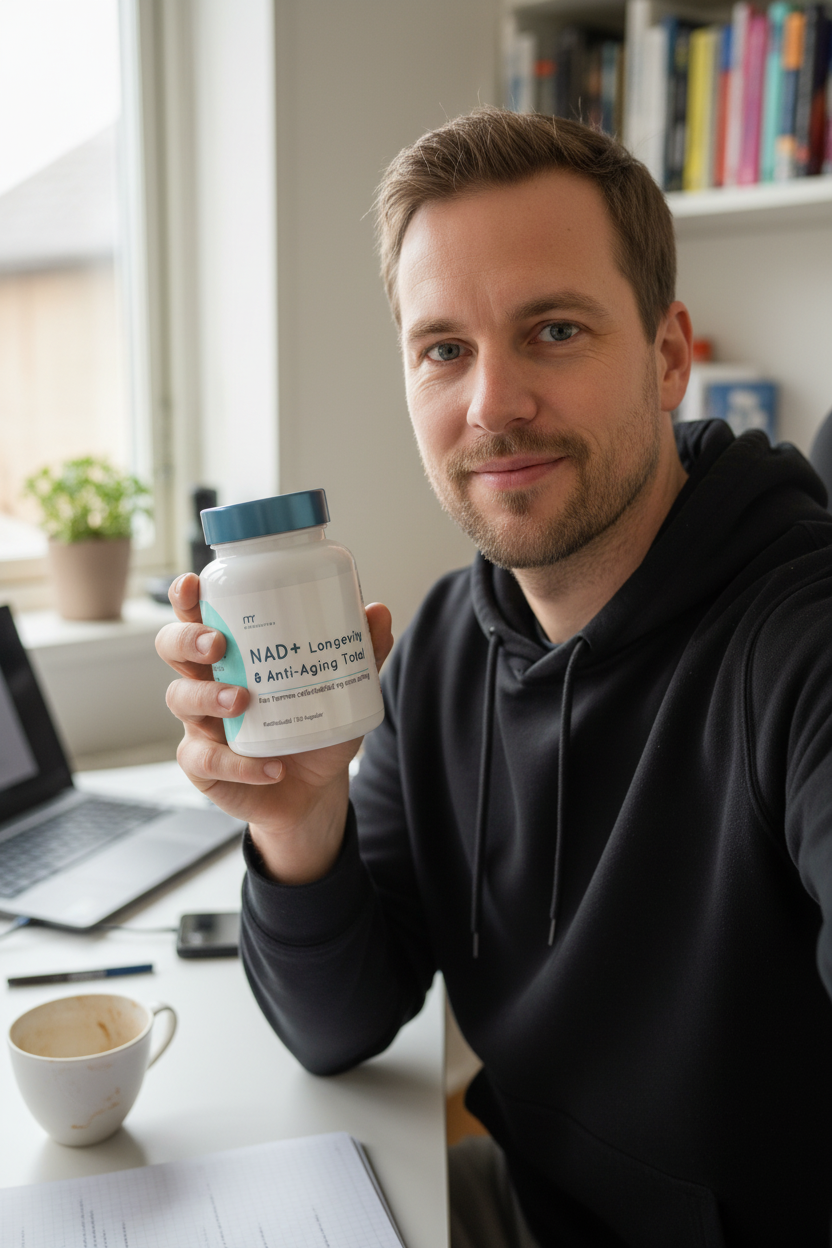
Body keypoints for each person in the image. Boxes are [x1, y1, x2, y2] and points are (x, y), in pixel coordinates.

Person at [156, 109, 832, 1247]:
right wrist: (299, 821)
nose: (490, 405)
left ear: (668, 356)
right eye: (443, 350)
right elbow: (341, 1025)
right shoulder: (442, 645)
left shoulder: (797, 636)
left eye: (553, 331)